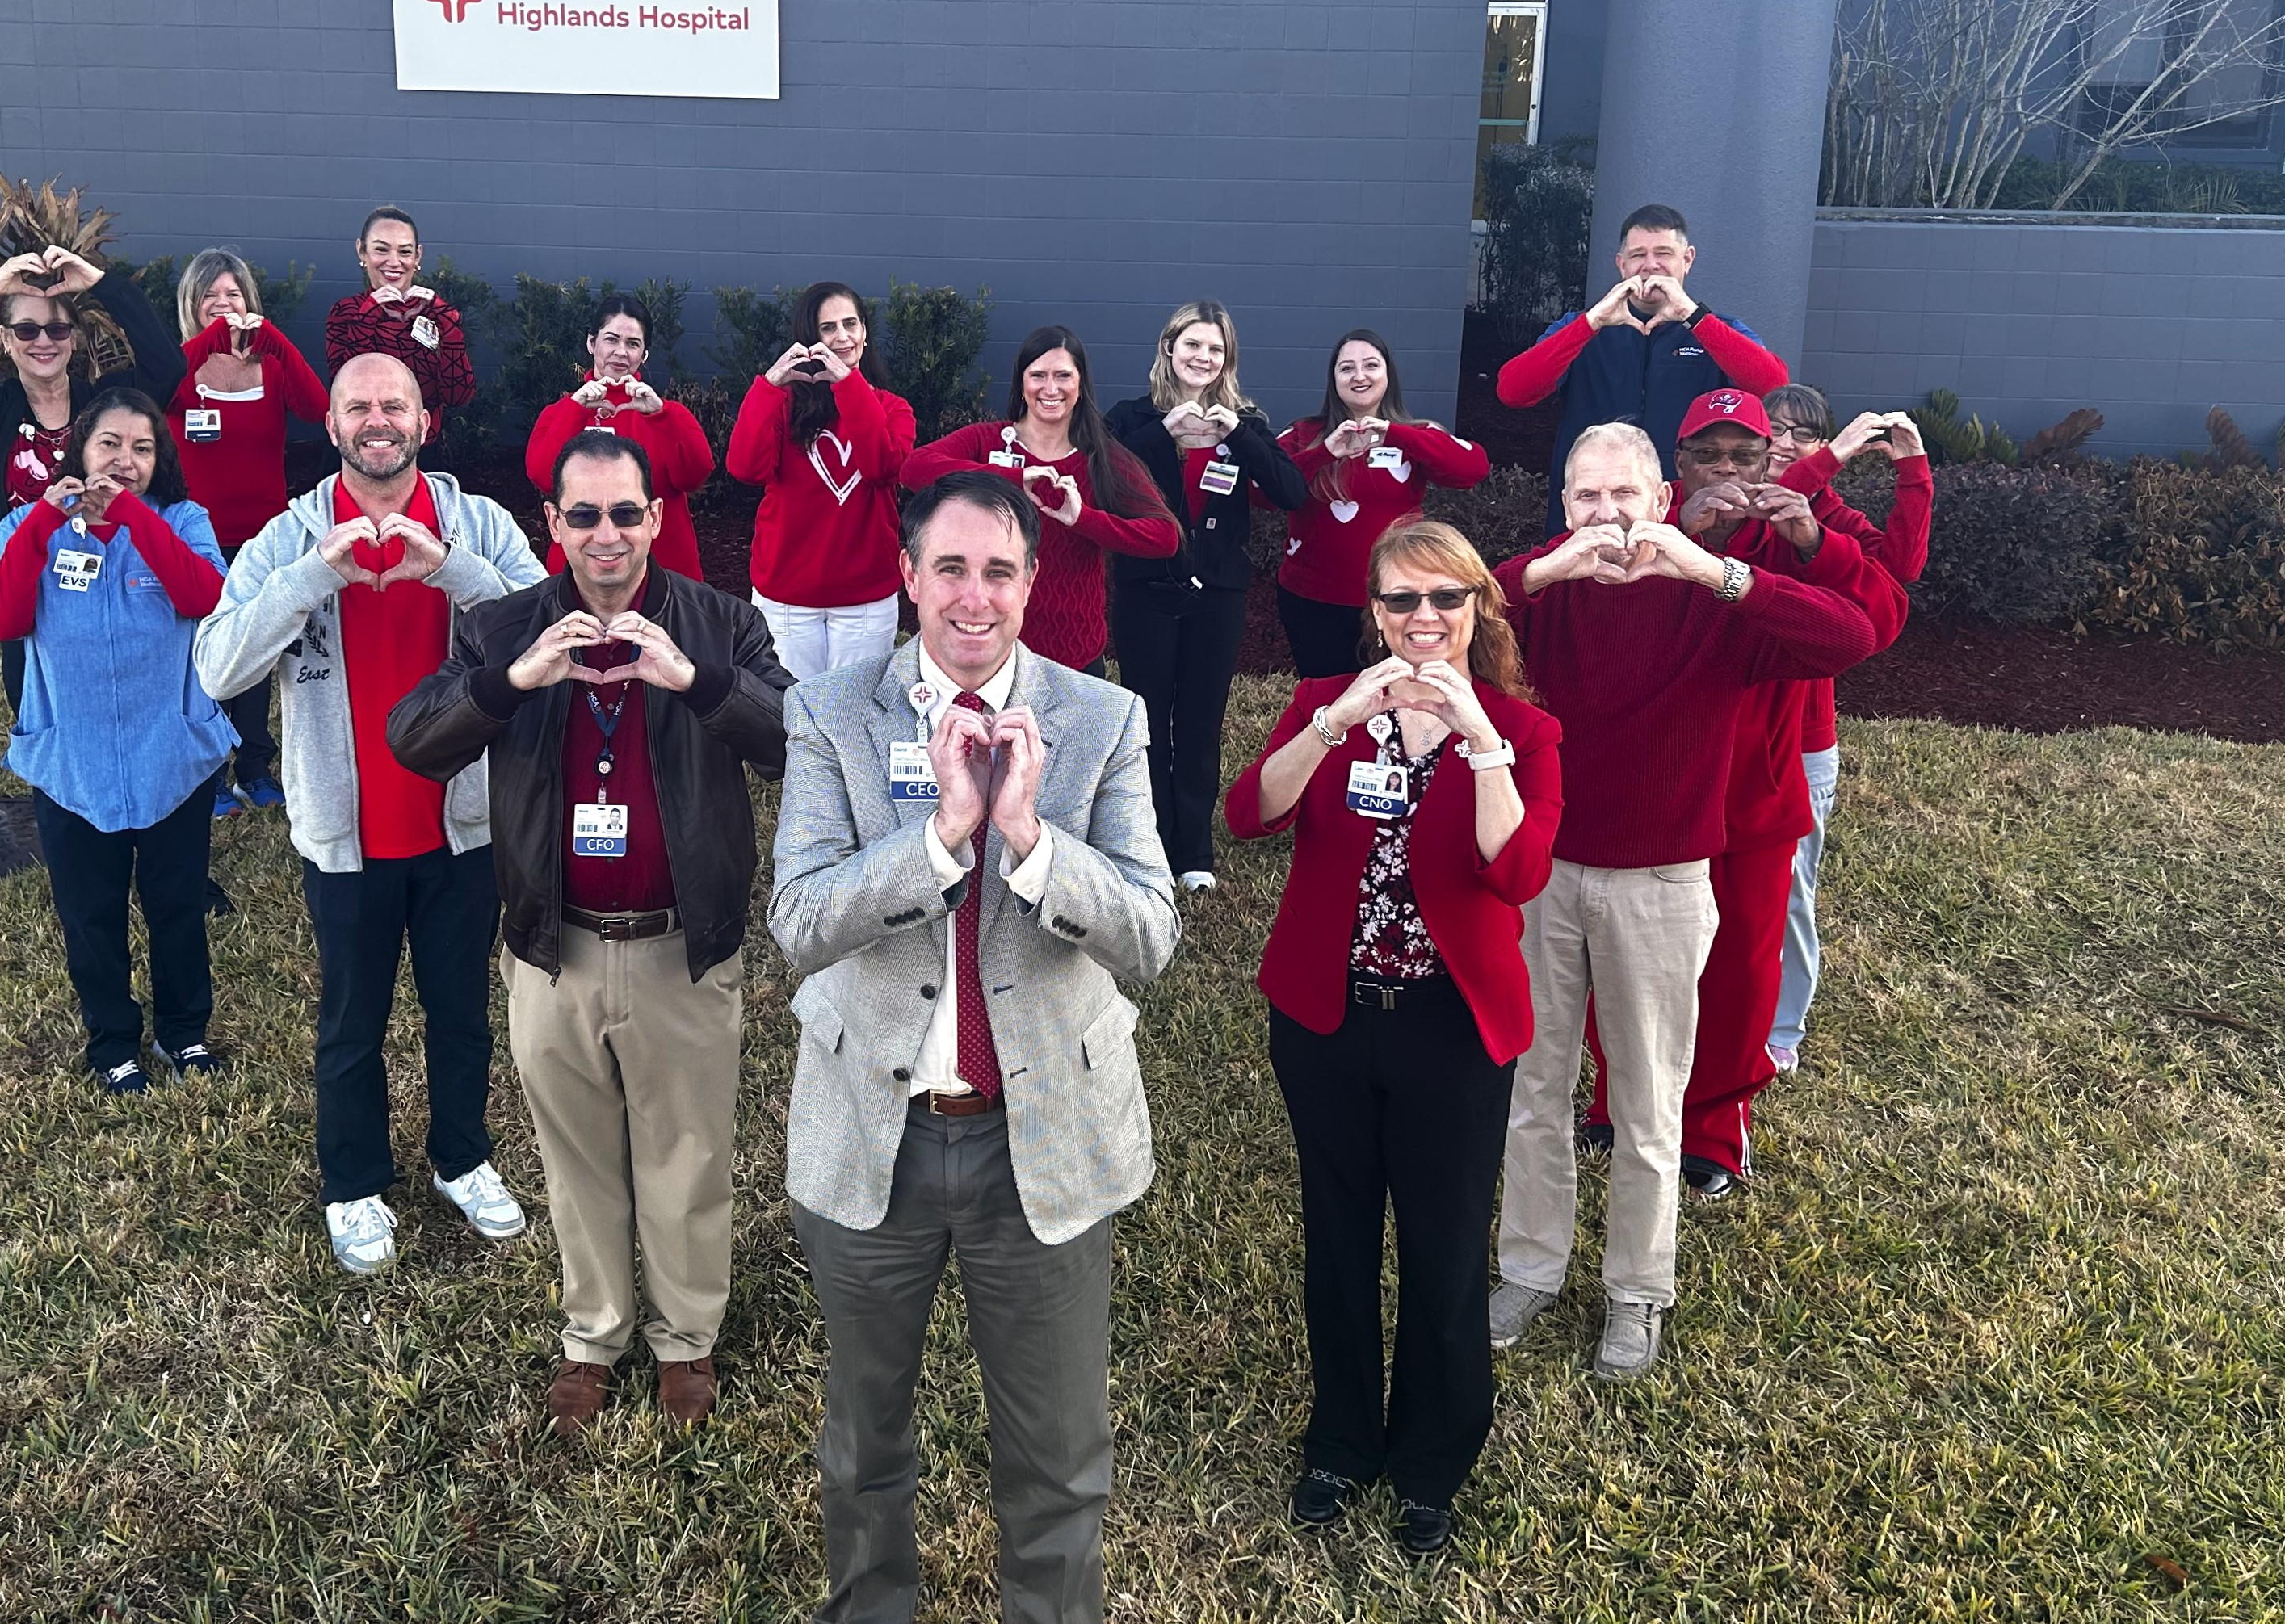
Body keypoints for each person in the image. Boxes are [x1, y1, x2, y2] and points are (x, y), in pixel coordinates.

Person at [770, 470, 1180, 1624]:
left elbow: (1150, 933)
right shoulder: (831, 711)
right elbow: (799, 921)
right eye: (948, 566)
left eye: (999, 569)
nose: (972, 596)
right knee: (863, 1443)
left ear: (1033, 582)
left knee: (1057, 1461)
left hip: (1040, 1139)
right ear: (906, 576)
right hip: (874, 1130)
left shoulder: (1102, 717)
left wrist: (1031, 837)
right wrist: (945, 834)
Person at [389, 429, 791, 1433]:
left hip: (679, 946)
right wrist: (509, 683)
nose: (605, 535)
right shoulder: (500, 629)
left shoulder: (720, 622)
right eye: (583, 515)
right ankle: (594, 1335)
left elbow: (797, 743)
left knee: (687, 1152)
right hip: (552, 947)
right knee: (575, 1156)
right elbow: (413, 742)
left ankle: (686, 1339)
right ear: (551, 523)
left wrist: (694, 682)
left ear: (656, 517)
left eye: (625, 513)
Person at [1485, 421, 1877, 1379]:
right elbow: (1435, 620)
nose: (1608, 518)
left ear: (1662, 500)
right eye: (1586, 498)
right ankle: (1530, 1268)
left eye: (1625, 497)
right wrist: (1544, 570)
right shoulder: (1540, 596)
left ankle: (1636, 1291)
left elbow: (1855, 633)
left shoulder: (1715, 599)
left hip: (1662, 881)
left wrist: (1716, 573)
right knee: (1533, 1090)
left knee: (1650, 1099)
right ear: (1564, 507)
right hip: (1544, 875)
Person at [1224, 518, 1562, 1554]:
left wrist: (1481, 741)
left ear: (1475, 610)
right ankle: (1340, 1441)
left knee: (1445, 1248)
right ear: (1373, 613)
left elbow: (1517, 874)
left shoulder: (1522, 731)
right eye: (1402, 602)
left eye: (1444, 600)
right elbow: (1247, 814)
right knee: (1336, 1238)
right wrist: (1332, 725)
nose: (1424, 621)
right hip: (1326, 1018)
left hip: (1452, 1031)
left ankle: (1430, 1460)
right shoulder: (1326, 706)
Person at [195, 354, 544, 1274]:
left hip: (460, 827)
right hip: (345, 837)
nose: (377, 419)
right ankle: (353, 1186)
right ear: (336, 423)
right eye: (359, 406)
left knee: (462, 1010)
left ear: (425, 420)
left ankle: (461, 1160)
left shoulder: (474, 523)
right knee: (352, 1023)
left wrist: (451, 571)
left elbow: (548, 634)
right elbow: (218, 667)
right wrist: (314, 575)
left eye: (395, 404)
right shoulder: (288, 536)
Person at [1579, 389, 1907, 1198]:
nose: (1726, 472)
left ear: (1769, 464)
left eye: (1743, 456)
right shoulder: (1635, 532)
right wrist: (1677, 541)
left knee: (1740, 969)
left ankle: (1713, 1130)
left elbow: (1874, 620)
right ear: (1678, 468)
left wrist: (1804, 540)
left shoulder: (1800, 533)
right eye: (1707, 456)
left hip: (1751, 793)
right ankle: (1616, 1099)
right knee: (1624, 960)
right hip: (1649, 786)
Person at [0, 387, 233, 1092]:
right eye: (109, 445)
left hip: (171, 751)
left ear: (160, 460)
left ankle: (184, 1035)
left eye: (142, 448)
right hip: (73, 758)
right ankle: (113, 1041)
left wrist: (130, 519)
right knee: (90, 911)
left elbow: (203, 596)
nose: (125, 460)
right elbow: (2, 619)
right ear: (80, 452)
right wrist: (39, 527)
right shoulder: (29, 525)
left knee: (176, 904)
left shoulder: (184, 519)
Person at [0, 241, 187, 715]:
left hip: (112, 581)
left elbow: (168, 365)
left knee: (126, 707)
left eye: (58, 328)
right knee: (40, 717)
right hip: (28, 590)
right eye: (26, 329)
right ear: (4, 339)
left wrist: (100, 283)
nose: (44, 341)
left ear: (74, 339)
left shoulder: (105, 403)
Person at [1107, 300, 1308, 892]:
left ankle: (1192, 852)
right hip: (1147, 588)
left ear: (1228, 360)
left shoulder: (1245, 420)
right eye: (1192, 344)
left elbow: (1291, 489)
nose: (1203, 357)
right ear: (1169, 348)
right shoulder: (1131, 417)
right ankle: (1148, 844)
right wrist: (1162, 432)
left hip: (1217, 594)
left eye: (1215, 349)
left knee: (1199, 723)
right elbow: (1104, 476)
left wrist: (1236, 434)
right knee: (1147, 722)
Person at [1762, 389, 1934, 1071]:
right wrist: (1826, 459)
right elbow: (1769, 512)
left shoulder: (1832, 521)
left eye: (1801, 436)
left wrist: (1914, 469)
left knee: (1790, 889)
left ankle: (1782, 1032)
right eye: (1770, 429)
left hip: (1803, 740)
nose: (1782, 444)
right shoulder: (1726, 507)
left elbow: (1902, 571)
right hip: (1728, 731)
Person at [898, 325, 1179, 673]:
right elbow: (914, 468)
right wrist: (1010, 479)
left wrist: (1084, 520)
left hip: (1073, 652)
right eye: (1038, 376)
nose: (1050, 389)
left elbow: (1165, 537)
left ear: (1080, 383)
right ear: (1022, 382)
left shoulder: (1102, 458)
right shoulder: (989, 441)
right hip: (990, 646)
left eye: (1063, 375)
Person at [1495, 204, 1790, 532]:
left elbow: (1774, 387)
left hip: (1689, 513)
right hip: (1593, 511)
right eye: (1638, 255)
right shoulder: (1578, 329)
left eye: (1664, 253)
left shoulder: (1719, 330)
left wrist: (1694, 319)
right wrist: (1593, 321)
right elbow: (1513, 391)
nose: (1651, 265)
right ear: (1621, 265)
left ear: (1687, 260)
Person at [170, 248, 330, 818]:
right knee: (205, 655)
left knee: (258, 651)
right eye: (210, 296)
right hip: (200, 540)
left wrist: (275, 342)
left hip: (263, 534)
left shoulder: (272, 364)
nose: (223, 305)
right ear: (192, 305)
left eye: (233, 295)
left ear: (251, 304)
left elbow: (318, 409)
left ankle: (255, 765)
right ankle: (208, 772)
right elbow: (159, 390)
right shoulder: (183, 364)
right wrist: (210, 342)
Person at [1270, 329, 1491, 679]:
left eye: (1371, 365)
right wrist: (1325, 453)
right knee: (1326, 700)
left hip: (1398, 600)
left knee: (1396, 702)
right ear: (1333, 379)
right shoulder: (1302, 434)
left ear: (1388, 374)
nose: (1359, 376)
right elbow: (1262, 490)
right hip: (1313, 601)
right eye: (1347, 368)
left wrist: (1392, 433)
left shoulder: (1416, 434)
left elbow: (1472, 468)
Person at [726, 280, 918, 680]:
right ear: (810, 339)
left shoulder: (893, 408)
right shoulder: (784, 405)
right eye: (828, 328)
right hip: (786, 597)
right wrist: (769, 386)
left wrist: (848, 387)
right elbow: (745, 468)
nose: (842, 336)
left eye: (851, 324)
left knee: (856, 718)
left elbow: (883, 466)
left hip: (865, 598)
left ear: (865, 333)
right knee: (791, 715)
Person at [526, 296, 716, 582]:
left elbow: (694, 476)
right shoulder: (559, 414)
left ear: (645, 355)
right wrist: (574, 411)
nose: (620, 352)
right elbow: (543, 476)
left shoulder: (669, 414)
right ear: (592, 343)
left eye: (633, 344)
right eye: (611, 340)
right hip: (580, 578)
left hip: (663, 577)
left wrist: (661, 418)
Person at [323, 205, 474, 413]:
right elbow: (345, 390)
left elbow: (459, 396)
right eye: (381, 249)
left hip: (423, 439)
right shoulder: (346, 312)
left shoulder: (436, 314)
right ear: (362, 251)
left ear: (417, 256)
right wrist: (366, 317)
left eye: (404, 251)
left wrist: (448, 321)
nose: (394, 262)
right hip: (365, 437)